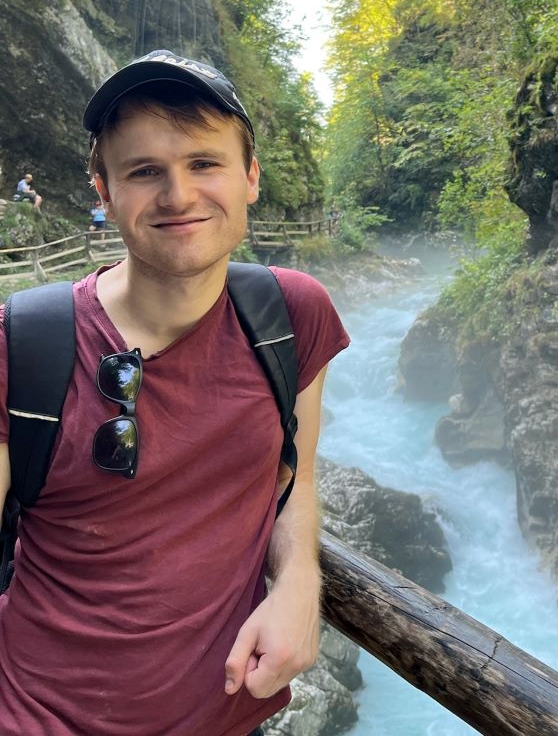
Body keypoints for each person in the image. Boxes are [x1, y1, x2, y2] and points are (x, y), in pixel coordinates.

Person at [0, 50, 350, 735]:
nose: (179, 195)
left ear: (250, 177)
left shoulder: (290, 318)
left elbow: (294, 479)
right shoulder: (22, 345)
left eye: (204, 163)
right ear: (102, 191)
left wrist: (301, 585)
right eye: (143, 172)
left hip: (222, 715)